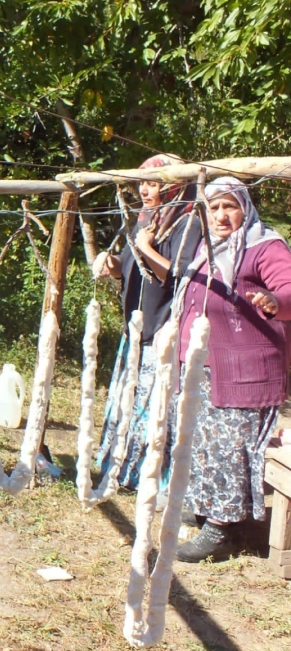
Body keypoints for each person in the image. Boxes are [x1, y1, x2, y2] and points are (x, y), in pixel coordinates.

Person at [172, 176, 291, 562]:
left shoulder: (264, 246)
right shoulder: (209, 249)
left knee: (229, 449)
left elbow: (289, 287)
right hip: (205, 366)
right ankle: (207, 506)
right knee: (204, 443)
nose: (222, 215)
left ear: (245, 207)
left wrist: (274, 301)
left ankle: (223, 530)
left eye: (230, 206)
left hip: (243, 369)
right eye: (214, 207)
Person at [95, 155, 201, 494]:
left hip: (162, 330)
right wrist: (110, 264)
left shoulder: (187, 223)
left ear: (173, 186)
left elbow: (178, 276)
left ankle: (143, 474)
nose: (144, 189)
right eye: (142, 182)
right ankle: (116, 464)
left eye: (154, 183)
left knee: (151, 405)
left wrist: (146, 247)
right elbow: (127, 267)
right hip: (135, 328)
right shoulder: (141, 219)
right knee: (126, 398)